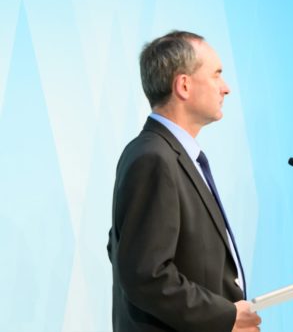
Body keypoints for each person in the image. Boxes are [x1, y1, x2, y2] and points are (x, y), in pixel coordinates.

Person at [107, 31, 261, 332]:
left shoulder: (170, 154)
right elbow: (146, 274)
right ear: (184, 85)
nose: (226, 88)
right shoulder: (153, 157)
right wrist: (224, 316)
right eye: (217, 75)